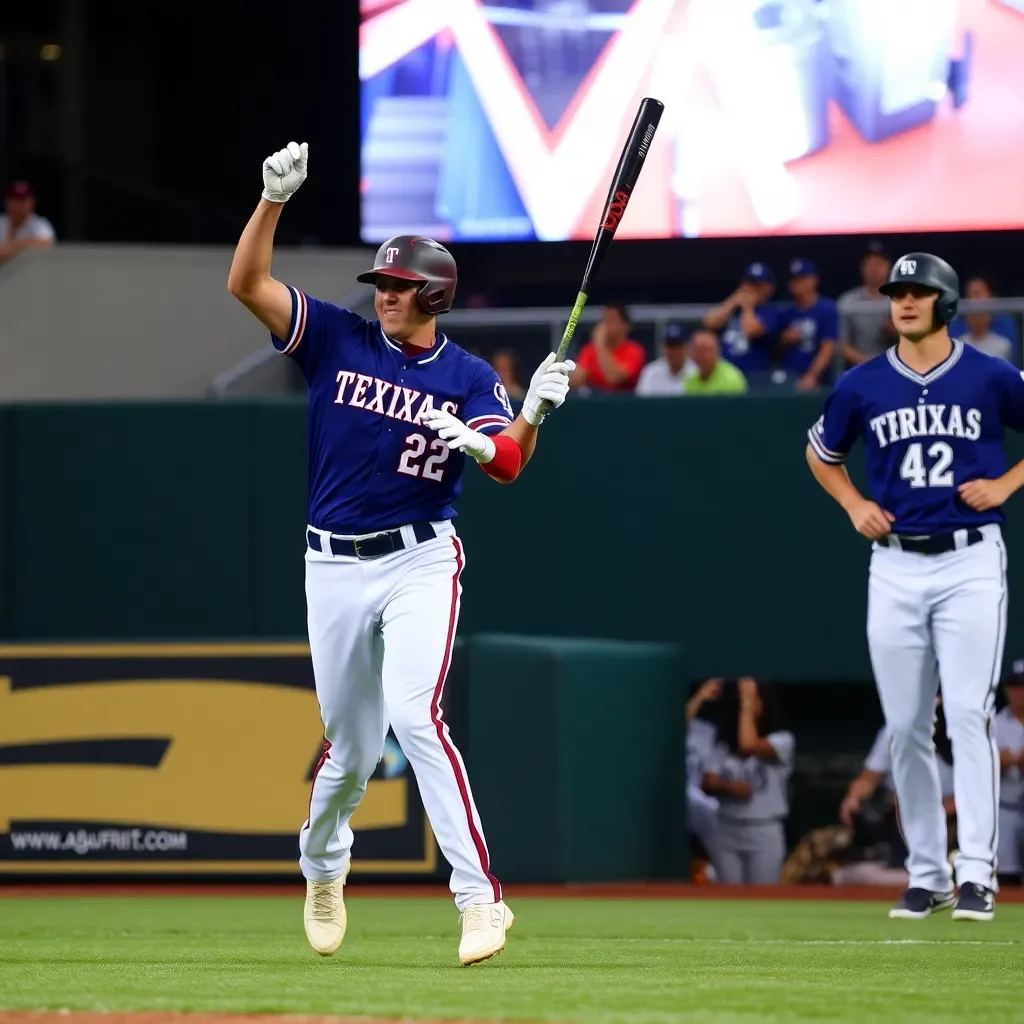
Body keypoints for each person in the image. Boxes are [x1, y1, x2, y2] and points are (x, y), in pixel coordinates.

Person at [227, 141, 574, 964]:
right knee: (350, 752)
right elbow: (247, 284)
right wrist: (272, 202)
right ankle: (323, 869)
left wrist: (524, 418)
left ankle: (481, 901)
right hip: (331, 563)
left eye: (399, 285)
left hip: (419, 559)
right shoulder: (336, 338)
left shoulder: (468, 375)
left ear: (436, 294)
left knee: (417, 718)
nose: (383, 294)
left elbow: (508, 464)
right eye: (380, 282)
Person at [805, 251, 1024, 922]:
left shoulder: (989, 374)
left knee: (967, 713)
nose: (903, 301)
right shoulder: (862, 383)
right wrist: (852, 503)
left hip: (969, 558)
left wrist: (1006, 484)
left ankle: (977, 872)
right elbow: (820, 452)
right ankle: (927, 874)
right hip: (896, 562)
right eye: (897, 292)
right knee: (904, 726)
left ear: (945, 303)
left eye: (918, 292)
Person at [700, 678, 794, 884]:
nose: (748, 706)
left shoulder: (782, 740)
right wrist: (729, 788)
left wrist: (748, 703)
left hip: (764, 828)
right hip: (727, 826)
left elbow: (748, 745)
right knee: (727, 893)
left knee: (763, 893)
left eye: (754, 701)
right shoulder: (723, 744)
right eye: (743, 702)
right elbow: (707, 782)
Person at [701, 263, 779, 377]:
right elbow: (709, 322)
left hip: (753, 375)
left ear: (768, 288)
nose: (752, 289)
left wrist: (748, 308)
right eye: (749, 283)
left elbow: (751, 331)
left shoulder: (771, 311)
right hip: (725, 373)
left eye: (758, 285)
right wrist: (733, 300)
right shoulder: (733, 309)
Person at [777, 258, 839, 390]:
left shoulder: (827, 309)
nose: (796, 284)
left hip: (818, 380)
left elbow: (828, 347)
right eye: (794, 280)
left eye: (801, 279)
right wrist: (785, 339)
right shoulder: (786, 312)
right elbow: (776, 349)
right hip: (788, 376)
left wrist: (812, 376)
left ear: (813, 280)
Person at [839, 243, 897, 366]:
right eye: (870, 264)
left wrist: (897, 332)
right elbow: (841, 345)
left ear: (889, 267)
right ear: (862, 267)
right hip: (859, 368)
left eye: (879, 264)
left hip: (896, 367)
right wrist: (869, 364)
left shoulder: (902, 300)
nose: (874, 269)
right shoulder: (848, 301)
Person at [569, 304, 646, 392]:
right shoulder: (590, 349)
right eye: (604, 320)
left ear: (625, 326)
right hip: (596, 398)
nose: (606, 325)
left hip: (625, 398)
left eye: (611, 320)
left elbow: (614, 378)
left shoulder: (634, 351)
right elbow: (577, 378)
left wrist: (600, 345)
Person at [995, 660, 1024, 886]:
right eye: (1015, 685)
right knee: (1006, 877)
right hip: (1004, 807)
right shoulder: (993, 724)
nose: (1020, 691)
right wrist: (1003, 761)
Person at [950, 277, 1016, 363]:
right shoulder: (957, 347)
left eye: (977, 294)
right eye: (969, 295)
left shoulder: (1002, 345)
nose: (973, 300)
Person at [0, 181, 55, 260]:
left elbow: (47, 243)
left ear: (32, 202)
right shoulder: (2, 222)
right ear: (8, 202)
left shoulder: (39, 224)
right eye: (15, 200)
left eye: (22, 200)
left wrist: (12, 246)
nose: (18, 205)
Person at [682, 329, 747, 395]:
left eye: (708, 350)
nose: (704, 355)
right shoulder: (690, 378)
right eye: (699, 351)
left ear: (717, 351)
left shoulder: (731, 378)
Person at [635, 322, 691, 396]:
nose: (674, 352)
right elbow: (641, 400)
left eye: (678, 347)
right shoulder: (651, 372)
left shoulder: (695, 372)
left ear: (686, 348)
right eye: (670, 347)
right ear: (663, 349)